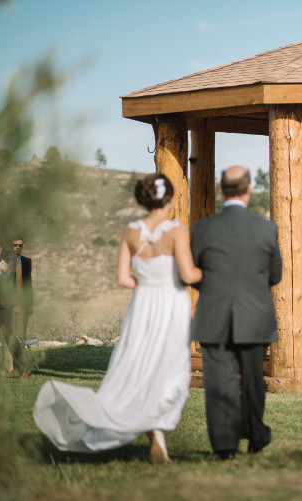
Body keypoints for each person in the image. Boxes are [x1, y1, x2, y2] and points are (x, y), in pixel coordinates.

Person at [34, 174, 202, 464]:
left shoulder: (131, 230)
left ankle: (146, 428)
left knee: (136, 363)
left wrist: (147, 288)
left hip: (142, 305)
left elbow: (123, 278)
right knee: (168, 366)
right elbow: (188, 275)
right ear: (171, 198)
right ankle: (156, 429)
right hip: (171, 304)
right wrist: (211, 273)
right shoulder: (177, 231)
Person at [190, 165, 282, 460]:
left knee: (218, 384)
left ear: (221, 189)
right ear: (248, 189)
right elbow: (275, 275)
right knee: (254, 381)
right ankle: (255, 435)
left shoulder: (203, 229)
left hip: (213, 316)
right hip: (254, 315)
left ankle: (225, 448)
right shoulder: (266, 229)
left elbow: (192, 272)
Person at [0, 237, 22, 374]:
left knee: (8, 335)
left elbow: (6, 276)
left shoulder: (9, 255)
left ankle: (23, 367)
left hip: (3, 302)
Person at [11, 237, 34, 369]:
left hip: (23, 304)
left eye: (20, 245)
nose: (17, 247)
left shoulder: (27, 262)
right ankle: (12, 365)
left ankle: (19, 364)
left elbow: (28, 283)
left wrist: (30, 304)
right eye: (15, 245)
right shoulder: (4, 263)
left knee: (21, 334)